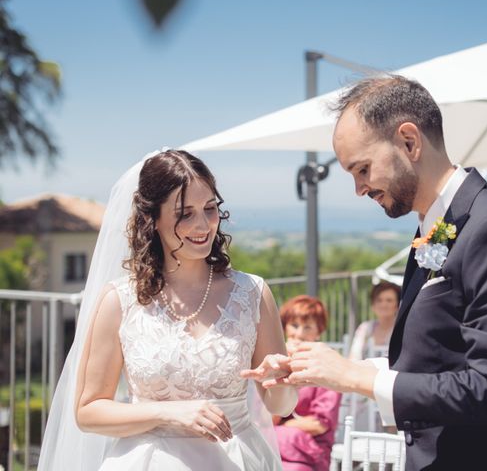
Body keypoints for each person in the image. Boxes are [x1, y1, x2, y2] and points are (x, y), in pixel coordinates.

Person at [248, 75, 487, 470]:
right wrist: (322, 369)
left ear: (409, 141)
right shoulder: (434, 226)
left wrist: (354, 377)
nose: (359, 189)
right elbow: (434, 363)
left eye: (362, 169)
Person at [38, 150, 297, 470]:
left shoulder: (253, 294)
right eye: (184, 213)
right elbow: (88, 412)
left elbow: (281, 405)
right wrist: (169, 412)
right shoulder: (120, 300)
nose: (202, 225)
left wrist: (281, 382)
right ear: (153, 219)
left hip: (236, 460)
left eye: (210, 208)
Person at [274, 296, 341, 471]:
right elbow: (269, 416)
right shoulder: (274, 360)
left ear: (318, 331)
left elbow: (318, 425)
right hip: (274, 446)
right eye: (294, 325)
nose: (299, 333)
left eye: (308, 327)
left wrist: (284, 426)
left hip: (307, 451)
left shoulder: (328, 365)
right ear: (286, 326)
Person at [348, 281, 401, 360]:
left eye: (389, 300)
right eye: (379, 300)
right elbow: (353, 356)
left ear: (397, 305)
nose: (383, 305)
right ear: (373, 304)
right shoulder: (365, 328)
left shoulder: (402, 330)